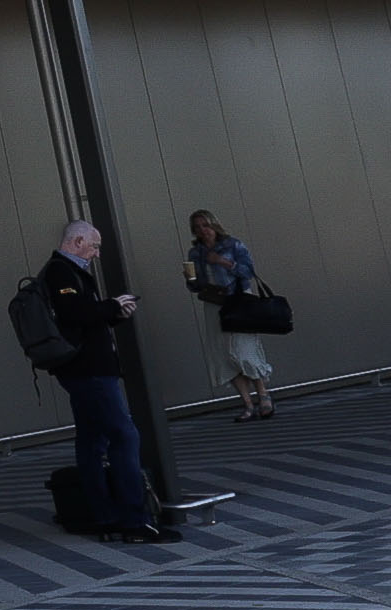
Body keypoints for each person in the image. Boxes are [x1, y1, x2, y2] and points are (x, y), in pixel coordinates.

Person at [25, 222, 163, 539]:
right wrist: (113, 305)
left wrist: (115, 313)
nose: (97, 254)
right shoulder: (61, 271)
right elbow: (75, 313)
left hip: (80, 369)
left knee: (91, 440)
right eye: (95, 246)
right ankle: (133, 521)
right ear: (77, 241)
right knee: (124, 435)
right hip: (89, 370)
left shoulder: (68, 271)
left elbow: (82, 319)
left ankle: (104, 516)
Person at [179, 211, 284, 424]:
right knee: (223, 354)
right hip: (213, 303)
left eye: (205, 225)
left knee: (244, 350)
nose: (202, 230)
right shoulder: (195, 253)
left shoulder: (233, 245)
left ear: (214, 225)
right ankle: (247, 403)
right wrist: (190, 279)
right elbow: (196, 287)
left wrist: (223, 262)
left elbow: (248, 271)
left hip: (238, 300)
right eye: (197, 227)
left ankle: (263, 395)